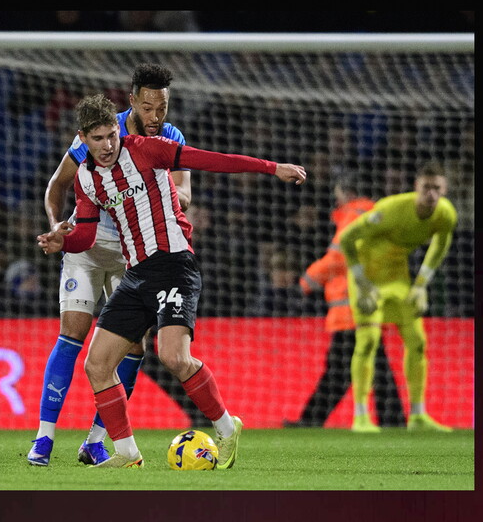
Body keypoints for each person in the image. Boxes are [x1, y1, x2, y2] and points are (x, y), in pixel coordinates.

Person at [37, 93, 306, 468]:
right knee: (96, 365)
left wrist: (272, 167)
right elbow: (85, 233)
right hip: (136, 276)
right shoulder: (86, 179)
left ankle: (227, 429)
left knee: (173, 357)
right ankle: (127, 453)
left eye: (112, 135)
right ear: (83, 139)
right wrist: (61, 239)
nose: (107, 145)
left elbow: (213, 160)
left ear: (119, 129)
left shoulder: (150, 149)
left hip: (175, 265)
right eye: (97, 139)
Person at [27, 63, 195, 467]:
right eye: (149, 106)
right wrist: (56, 225)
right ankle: (43, 439)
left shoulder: (170, 138)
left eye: (163, 108)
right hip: (85, 245)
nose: (157, 117)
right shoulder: (103, 130)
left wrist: (155, 188)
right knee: (73, 333)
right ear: (133, 100)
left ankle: (96, 441)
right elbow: (57, 184)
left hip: (131, 253)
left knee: (133, 347)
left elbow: (185, 194)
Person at [339, 161, 456, 432]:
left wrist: (421, 285)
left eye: (437, 188)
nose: (431, 194)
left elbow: (441, 243)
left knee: (417, 342)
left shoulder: (446, 215)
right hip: (367, 278)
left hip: (399, 279)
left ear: (445, 189)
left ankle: (417, 416)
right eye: (426, 187)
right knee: (368, 341)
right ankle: (360, 417)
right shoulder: (390, 209)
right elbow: (347, 239)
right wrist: (361, 281)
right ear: (416, 187)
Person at [285, 175, 405, 428]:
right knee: (354, 366)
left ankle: (311, 421)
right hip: (366, 300)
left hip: (352, 304)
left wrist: (307, 280)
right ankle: (392, 420)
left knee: (347, 367)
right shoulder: (372, 214)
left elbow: (338, 257)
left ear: (348, 193)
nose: (336, 200)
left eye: (338, 193)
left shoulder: (354, 213)